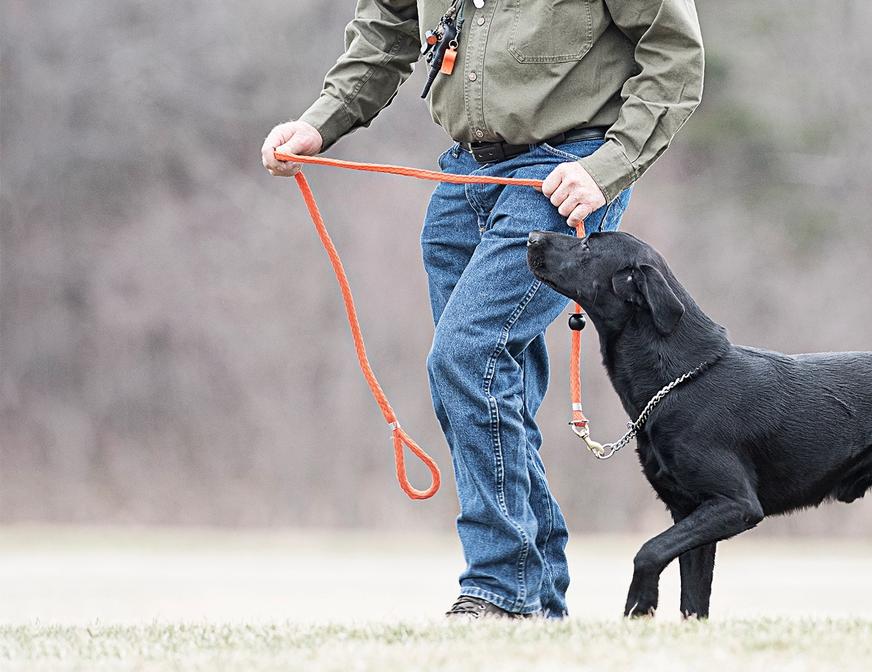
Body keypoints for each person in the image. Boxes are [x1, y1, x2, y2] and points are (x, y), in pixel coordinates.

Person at [260, 0, 704, 619]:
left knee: (466, 360)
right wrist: (320, 122)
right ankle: (539, 600)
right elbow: (388, 26)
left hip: (561, 179)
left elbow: (675, 55)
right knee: (494, 390)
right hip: (462, 181)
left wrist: (608, 167)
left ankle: (499, 589)